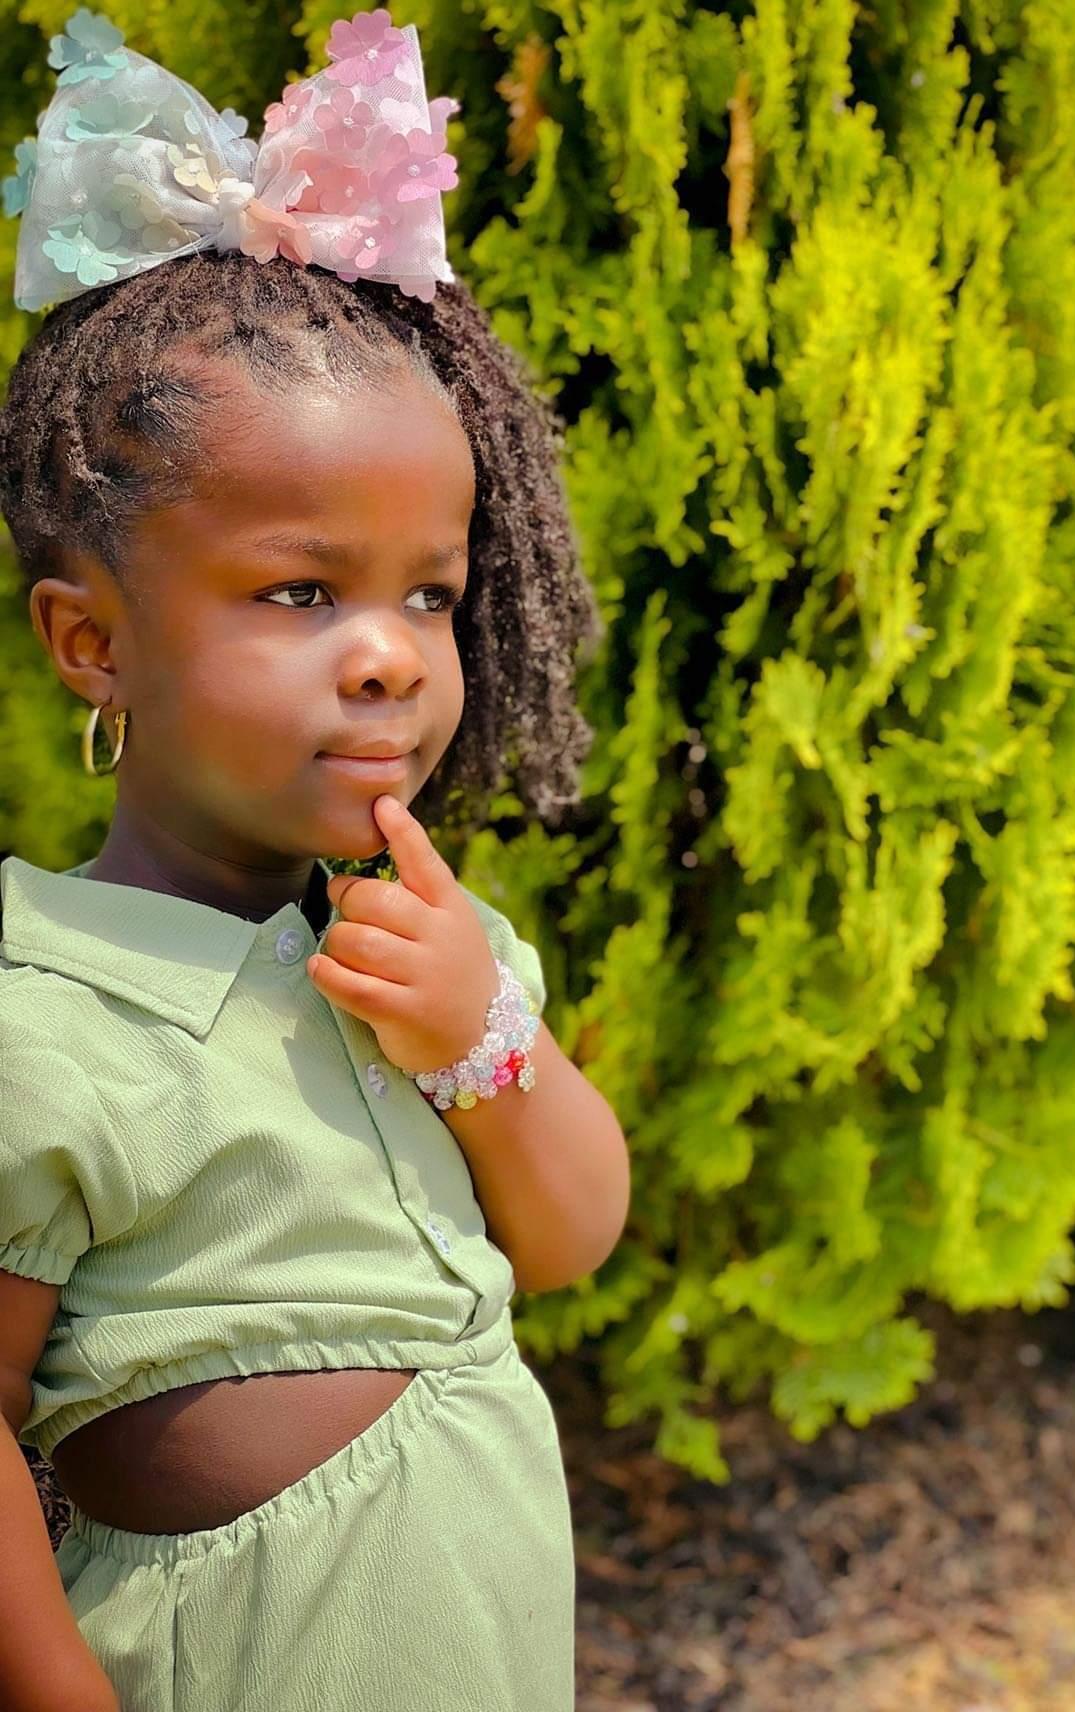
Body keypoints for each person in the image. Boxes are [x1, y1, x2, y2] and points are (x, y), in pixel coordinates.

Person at [0, 9, 628, 1711]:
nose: (390, 657)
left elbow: (570, 1234)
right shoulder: (39, 1014)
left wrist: (480, 1043)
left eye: (427, 593)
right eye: (301, 593)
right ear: (91, 643)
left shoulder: (430, 937)